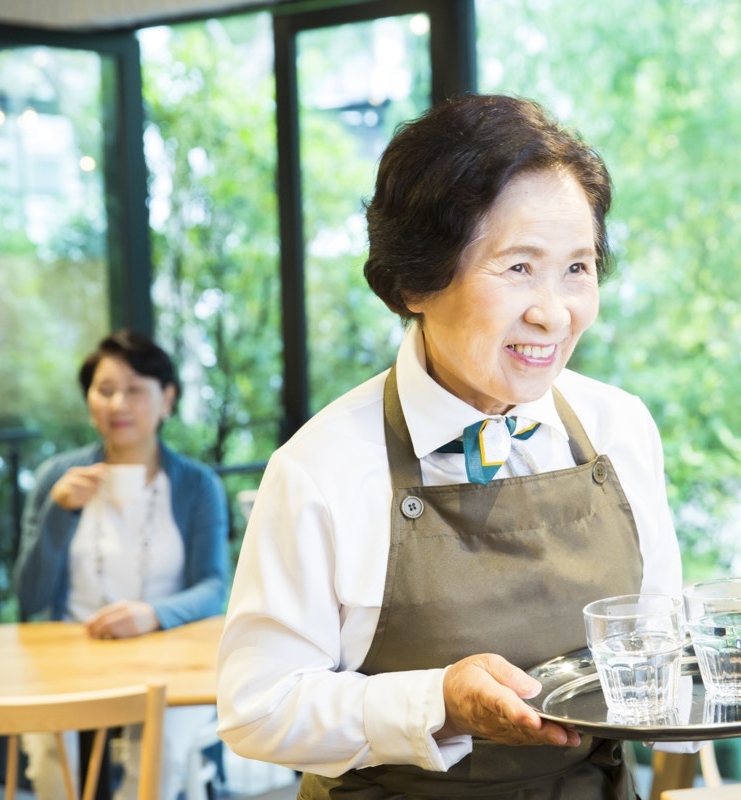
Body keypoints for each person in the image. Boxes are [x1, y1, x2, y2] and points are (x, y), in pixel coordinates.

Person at [215, 94, 686, 798]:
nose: (553, 313)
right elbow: (258, 708)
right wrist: (437, 702)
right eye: (518, 267)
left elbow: (658, 636)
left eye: (577, 268)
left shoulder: (620, 428)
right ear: (415, 281)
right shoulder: (322, 468)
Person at [15, 329, 229, 800]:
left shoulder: (196, 485)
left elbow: (215, 586)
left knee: (161, 746)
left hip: (167, 654)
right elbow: (29, 596)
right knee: (50, 750)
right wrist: (59, 512)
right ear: (90, 402)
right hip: (69, 657)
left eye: (134, 389)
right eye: (105, 390)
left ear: (166, 398)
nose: (119, 404)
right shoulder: (58, 477)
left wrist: (151, 614)